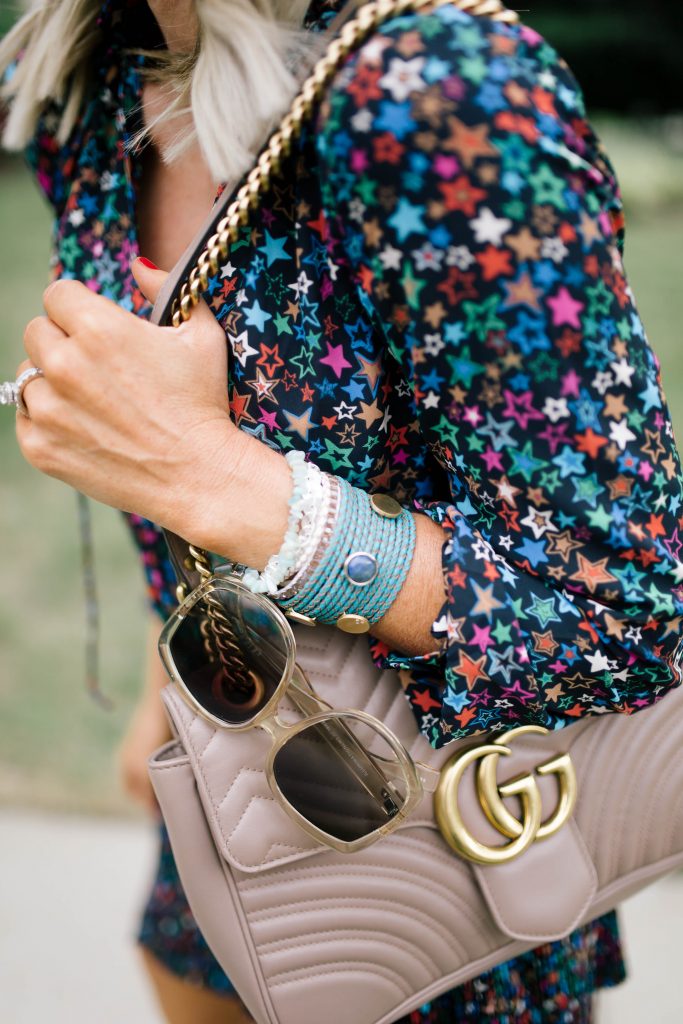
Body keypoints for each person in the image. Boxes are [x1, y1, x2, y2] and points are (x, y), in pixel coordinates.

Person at [2, 0, 682, 1021]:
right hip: (242, 784)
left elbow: (622, 609)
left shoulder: (437, 87)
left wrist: (217, 479)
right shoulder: (93, 82)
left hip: (451, 864)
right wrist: (170, 673)